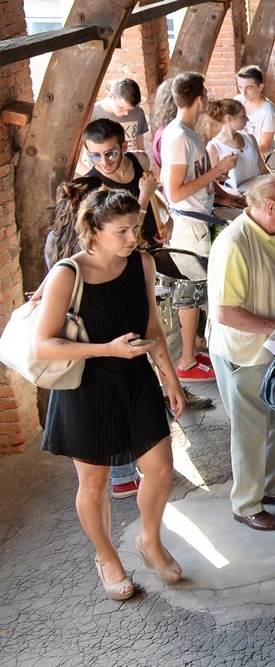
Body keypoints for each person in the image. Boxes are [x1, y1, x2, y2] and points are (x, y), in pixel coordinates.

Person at [35, 188, 186, 600]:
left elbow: (152, 326)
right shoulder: (68, 273)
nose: (131, 237)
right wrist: (106, 349)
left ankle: (149, 540)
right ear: (94, 232)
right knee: (95, 482)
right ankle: (106, 556)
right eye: (121, 231)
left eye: (136, 227)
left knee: (158, 468)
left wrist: (169, 377)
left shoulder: (142, 263)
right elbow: (43, 344)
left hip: (136, 377)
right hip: (86, 385)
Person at [207, 175, 275, 532]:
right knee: (249, 430)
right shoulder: (234, 244)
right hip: (245, 353)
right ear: (270, 207)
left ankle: (272, 487)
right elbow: (225, 312)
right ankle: (246, 503)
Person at [161, 72, 238, 381]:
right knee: (191, 293)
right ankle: (187, 361)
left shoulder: (185, 132)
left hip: (199, 219)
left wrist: (221, 193)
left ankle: (194, 350)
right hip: (190, 225)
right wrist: (218, 169)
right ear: (197, 99)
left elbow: (195, 179)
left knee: (199, 289)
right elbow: (176, 191)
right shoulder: (179, 136)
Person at [80, 118, 167, 249]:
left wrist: (168, 220)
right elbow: (127, 232)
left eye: (110, 153)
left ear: (124, 147)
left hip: (155, 244)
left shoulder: (140, 160)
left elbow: (152, 194)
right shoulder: (92, 187)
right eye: (95, 156)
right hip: (127, 256)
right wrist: (144, 196)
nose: (104, 162)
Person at [204, 97, 266, 193]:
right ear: (229, 118)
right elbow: (212, 183)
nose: (247, 119)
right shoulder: (214, 147)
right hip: (237, 197)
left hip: (260, 192)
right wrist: (230, 193)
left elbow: (263, 170)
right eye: (243, 115)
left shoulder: (250, 138)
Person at [236, 65, 275, 172]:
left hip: (264, 162)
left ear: (260, 87)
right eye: (240, 87)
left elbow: (264, 146)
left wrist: (241, 154)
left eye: (249, 88)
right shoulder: (238, 101)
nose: (243, 93)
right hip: (242, 158)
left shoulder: (268, 112)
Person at [92, 78, 150, 155]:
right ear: (110, 96)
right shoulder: (93, 113)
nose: (126, 113)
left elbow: (140, 149)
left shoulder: (138, 112)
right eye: (121, 108)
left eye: (129, 110)